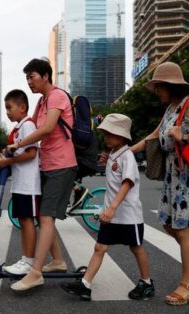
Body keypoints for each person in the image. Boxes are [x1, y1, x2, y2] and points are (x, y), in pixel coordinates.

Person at [128, 62, 189, 305]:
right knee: (171, 225)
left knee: (183, 229)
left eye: (159, 87)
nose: (157, 91)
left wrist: (186, 136)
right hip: (175, 176)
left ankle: (188, 284)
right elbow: (154, 134)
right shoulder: (172, 108)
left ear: (170, 86)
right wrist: (128, 151)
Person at [61, 114, 154, 301]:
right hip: (111, 215)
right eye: (105, 133)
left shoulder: (127, 156)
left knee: (136, 248)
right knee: (99, 248)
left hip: (128, 215)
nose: (106, 137)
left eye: (110, 134)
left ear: (122, 137)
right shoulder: (114, 154)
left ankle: (147, 283)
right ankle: (85, 285)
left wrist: (111, 207)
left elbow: (127, 184)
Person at [7, 58, 78, 292]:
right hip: (47, 165)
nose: (29, 81)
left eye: (33, 76)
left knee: (46, 217)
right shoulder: (42, 102)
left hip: (61, 164)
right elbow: (35, 126)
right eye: (27, 77)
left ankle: (35, 272)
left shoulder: (57, 96)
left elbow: (46, 129)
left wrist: (17, 146)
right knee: (44, 217)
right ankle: (57, 261)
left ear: (46, 76)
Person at [0, 89, 40, 275]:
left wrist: (7, 161)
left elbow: (32, 153)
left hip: (29, 184)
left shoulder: (28, 126)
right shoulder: (19, 128)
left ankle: (29, 261)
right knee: (23, 221)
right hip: (21, 183)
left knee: (27, 220)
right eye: (6, 108)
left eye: (10, 108)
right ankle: (26, 259)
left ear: (23, 107)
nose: (7, 112)